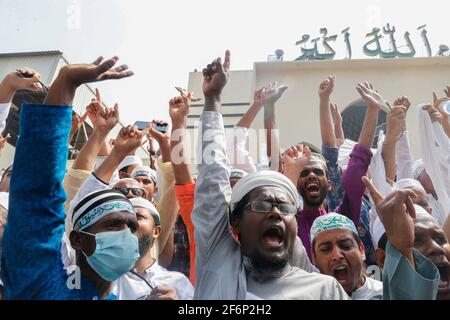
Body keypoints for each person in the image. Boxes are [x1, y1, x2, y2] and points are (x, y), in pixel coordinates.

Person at [0, 55, 142, 300]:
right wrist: (66, 82)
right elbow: (39, 191)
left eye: (131, 226)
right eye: (113, 225)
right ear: (76, 239)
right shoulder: (43, 285)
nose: (125, 236)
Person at [112, 197, 193, 300]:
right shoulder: (103, 281)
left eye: (138, 216)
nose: (129, 223)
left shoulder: (177, 282)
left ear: (156, 231)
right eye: (124, 219)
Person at [311, 213, 383, 299]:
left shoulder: (387, 294)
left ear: (361, 250)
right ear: (314, 258)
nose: (337, 256)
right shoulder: (310, 296)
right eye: (326, 249)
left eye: (346, 245)